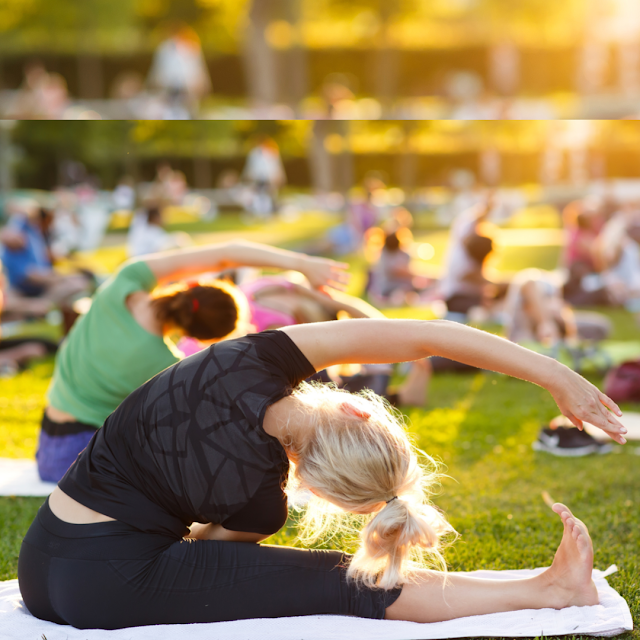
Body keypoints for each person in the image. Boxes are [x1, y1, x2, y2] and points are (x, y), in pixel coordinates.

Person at [18, 318, 626, 630]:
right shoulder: (259, 502)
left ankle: (550, 589)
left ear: (358, 407)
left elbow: (426, 336)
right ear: (312, 482)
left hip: (40, 556)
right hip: (103, 584)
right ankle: (550, 592)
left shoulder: (253, 354)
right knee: (344, 581)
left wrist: (556, 376)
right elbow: (207, 556)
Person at [38, 241, 348, 483]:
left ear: (190, 287)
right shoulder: (163, 365)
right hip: (83, 459)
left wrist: (302, 263)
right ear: (200, 338)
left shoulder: (126, 280)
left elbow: (227, 253)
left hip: (49, 444)